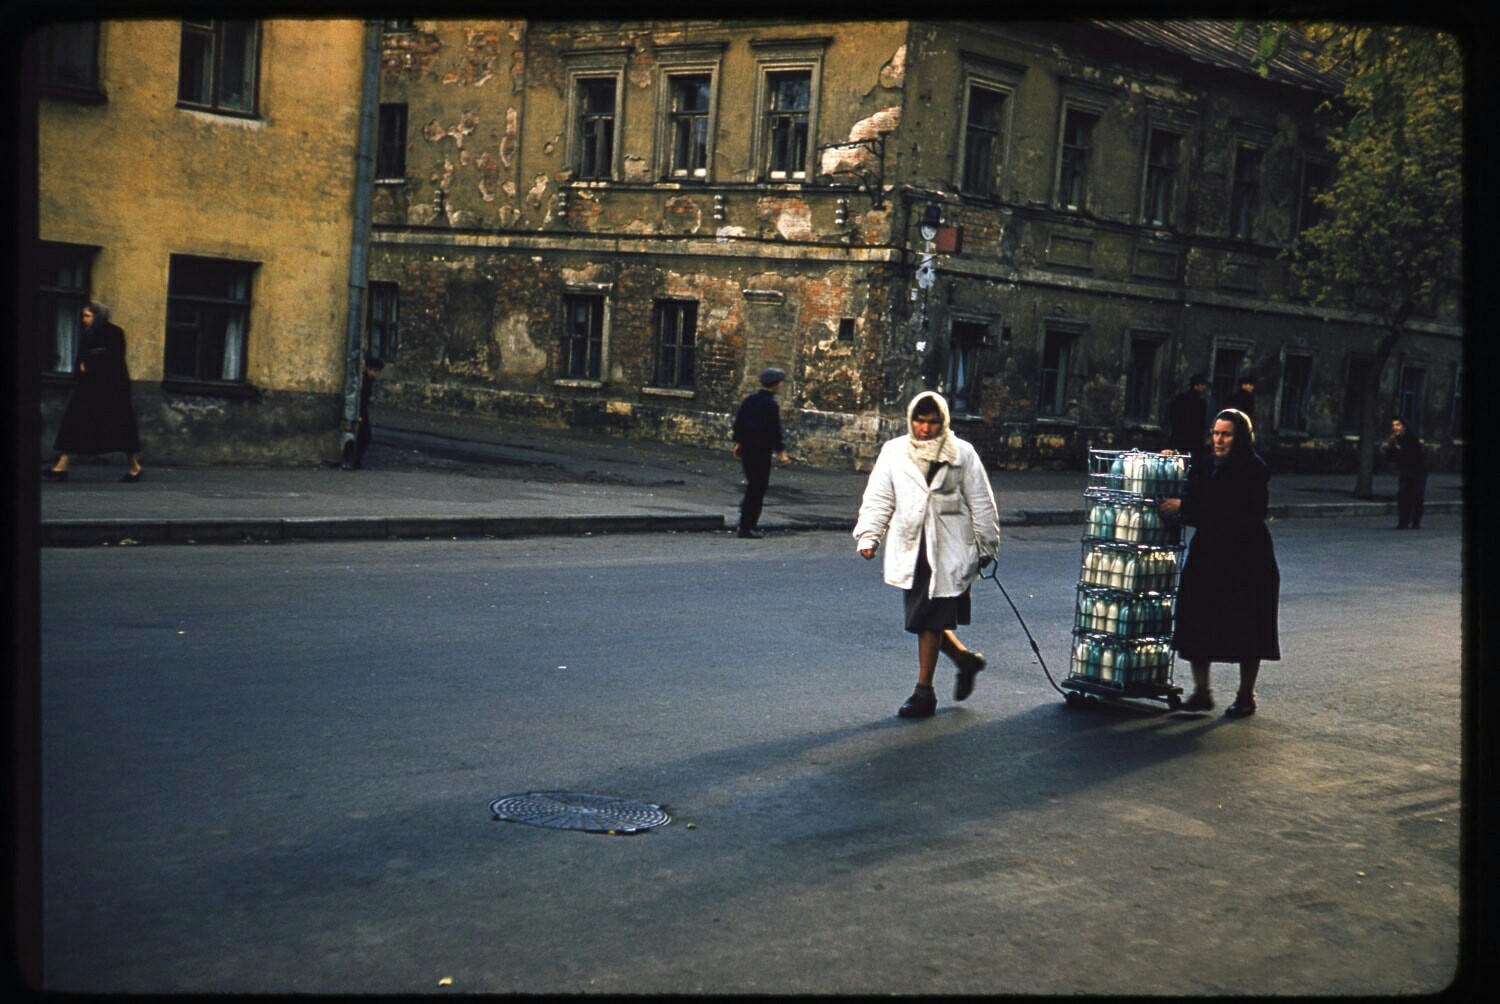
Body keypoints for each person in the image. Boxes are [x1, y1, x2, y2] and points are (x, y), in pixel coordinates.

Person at [854, 391, 1000, 718]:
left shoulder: (963, 453)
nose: (925, 429)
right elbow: (879, 497)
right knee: (921, 618)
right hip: (912, 545)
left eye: (933, 422)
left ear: (943, 422)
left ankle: (924, 693)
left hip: (950, 547)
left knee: (929, 617)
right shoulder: (894, 452)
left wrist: (987, 544)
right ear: (911, 420)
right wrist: (869, 535)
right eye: (919, 421)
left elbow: (981, 501)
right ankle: (964, 660)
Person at [1158, 408, 1280, 718]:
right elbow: (1194, 485)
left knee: (1247, 626)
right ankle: (1202, 691)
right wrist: (1172, 462)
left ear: (1240, 437)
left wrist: (1186, 506)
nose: (1219, 439)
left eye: (1226, 434)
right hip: (1210, 552)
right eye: (1215, 433)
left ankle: (1245, 695)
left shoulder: (1254, 468)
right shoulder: (1208, 462)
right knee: (1195, 616)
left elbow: (1234, 507)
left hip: (1246, 555)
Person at [43, 301, 143, 483]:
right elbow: (82, 356)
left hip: (112, 390)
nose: (84, 320)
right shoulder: (88, 334)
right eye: (83, 316)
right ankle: (62, 465)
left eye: (88, 316)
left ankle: (135, 466)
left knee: (121, 427)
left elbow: (113, 359)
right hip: (88, 387)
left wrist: (89, 363)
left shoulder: (114, 333)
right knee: (74, 422)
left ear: (98, 316)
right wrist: (83, 365)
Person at [731, 367, 791, 539]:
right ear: (775, 385)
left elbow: (740, 423)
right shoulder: (770, 404)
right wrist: (781, 452)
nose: (781, 386)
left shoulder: (749, 400)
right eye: (780, 383)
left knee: (752, 484)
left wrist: (738, 443)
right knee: (758, 487)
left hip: (748, 449)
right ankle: (747, 525)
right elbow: (774, 430)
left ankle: (744, 520)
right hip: (761, 450)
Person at [1384, 417, 1427, 529]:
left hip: (1418, 471)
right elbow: (1391, 458)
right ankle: (1403, 522)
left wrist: (1399, 449)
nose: (1395, 428)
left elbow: (1411, 456)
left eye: (1398, 425)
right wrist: (1391, 447)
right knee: (1403, 496)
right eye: (1393, 425)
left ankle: (1416, 522)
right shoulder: (1395, 440)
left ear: (1404, 427)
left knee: (1416, 496)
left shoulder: (1412, 439)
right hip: (1405, 472)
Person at [354, 356, 385, 469]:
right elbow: (361, 399)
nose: (375, 374)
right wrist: (360, 415)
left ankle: (357, 459)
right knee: (365, 436)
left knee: (364, 436)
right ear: (368, 369)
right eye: (374, 371)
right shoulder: (364, 381)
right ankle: (356, 459)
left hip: (363, 411)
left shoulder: (368, 380)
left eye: (377, 372)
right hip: (361, 411)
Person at [1166, 373, 1209, 454]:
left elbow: (1172, 416)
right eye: (1202, 385)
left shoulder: (1180, 398)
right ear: (1196, 385)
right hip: (1193, 440)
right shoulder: (1201, 402)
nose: (1204, 387)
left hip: (1178, 437)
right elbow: (1201, 422)